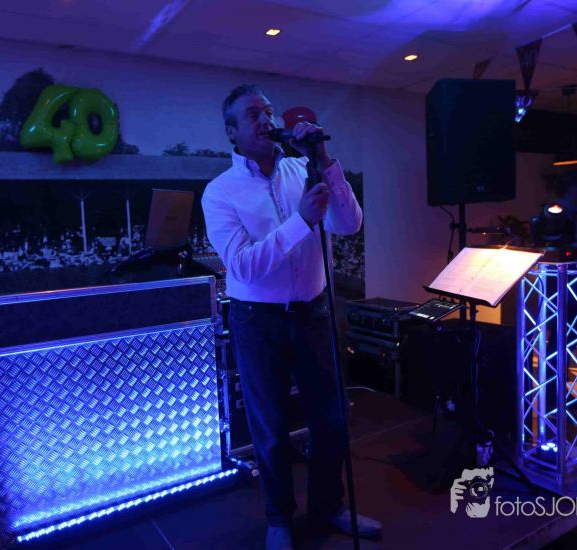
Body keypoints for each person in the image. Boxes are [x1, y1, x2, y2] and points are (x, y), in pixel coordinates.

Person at [201, 84, 379, 550]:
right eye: (251, 114)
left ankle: (329, 507)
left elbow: (349, 224)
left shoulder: (303, 169)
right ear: (232, 132)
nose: (265, 119)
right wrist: (300, 220)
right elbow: (243, 267)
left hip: (314, 312)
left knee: (331, 418)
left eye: (268, 110)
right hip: (258, 321)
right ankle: (279, 518)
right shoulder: (219, 192)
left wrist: (323, 158)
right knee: (272, 428)